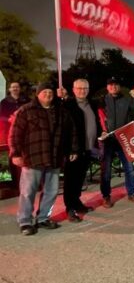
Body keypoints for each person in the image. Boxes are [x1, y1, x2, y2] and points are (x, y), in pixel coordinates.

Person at [9, 82, 78, 236]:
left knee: (51, 191)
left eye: (50, 92)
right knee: (28, 191)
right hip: (33, 157)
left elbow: (71, 131)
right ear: (38, 94)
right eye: (44, 92)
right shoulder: (26, 110)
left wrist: (73, 149)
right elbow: (15, 134)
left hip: (54, 157)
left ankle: (43, 218)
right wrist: (15, 153)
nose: (48, 94)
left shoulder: (61, 112)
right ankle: (25, 221)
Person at [59, 79, 101, 222]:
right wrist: (70, 150)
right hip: (74, 151)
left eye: (85, 88)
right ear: (74, 89)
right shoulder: (68, 105)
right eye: (79, 88)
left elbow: (95, 123)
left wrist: (100, 133)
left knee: (79, 179)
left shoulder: (91, 105)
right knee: (70, 180)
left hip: (88, 148)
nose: (82, 91)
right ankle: (70, 208)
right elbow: (64, 130)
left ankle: (77, 202)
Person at [98, 77, 134, 207]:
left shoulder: (127, 98)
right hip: (108, 140)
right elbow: (97, 118)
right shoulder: (101, 100)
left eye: (116, 84)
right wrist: (100, 131)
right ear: (107, 87)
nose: (113, 87)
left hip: (124, 138)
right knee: (105, 171)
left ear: (119, 86)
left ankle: (132, 193)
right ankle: (106, 196)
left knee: (129, 168)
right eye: (110, 85)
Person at [0, 82, 30, 190]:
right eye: (13, 87)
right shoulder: (4, 102)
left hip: (25, 133)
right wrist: (9, 119)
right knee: (13, 156)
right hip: (10, 132)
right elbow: (1, 116)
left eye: (17, 87)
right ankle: (16, 184)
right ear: (10, 89)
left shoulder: (25, 101)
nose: (15, 89)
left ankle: (27, 182)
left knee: (26, 156)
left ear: (19, 88)